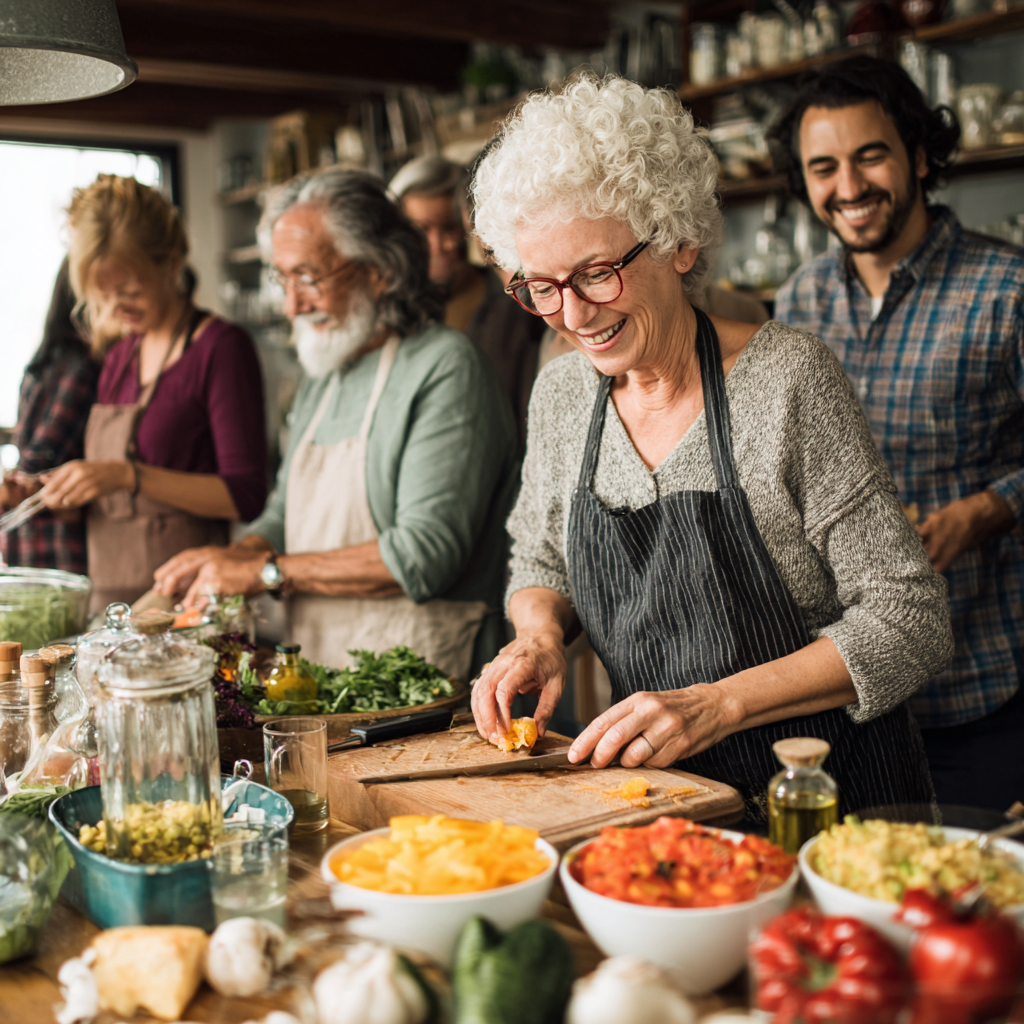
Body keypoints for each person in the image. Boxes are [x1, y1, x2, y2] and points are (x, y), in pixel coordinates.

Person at [470, 75, 953, 820]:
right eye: (540, 285)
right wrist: (537, 636)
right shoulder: (563, 396)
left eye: (597, 274)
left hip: (829, 804)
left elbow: (908, 620)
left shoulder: (788, 380)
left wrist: (717, 705)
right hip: (662, 807)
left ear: (678, 241)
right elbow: (539, 559)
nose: (570, 314)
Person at [771, 56, 1024, 813]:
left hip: (983, 687)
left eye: (870, 155)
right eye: (824, 167)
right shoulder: (798, 298)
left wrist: (989, 508)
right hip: (844, 694)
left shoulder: (1008, 291)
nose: (848, 188)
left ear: (918, 155)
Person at [153, 168, 518, 681]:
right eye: (283, 278)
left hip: (429, 687)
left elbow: (423, 556)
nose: (292, 305)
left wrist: (263, 572)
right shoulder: (324, 378)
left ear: (379, 271)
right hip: (325, 675)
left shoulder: (444, 366)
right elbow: (283, 514)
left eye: (309, 277)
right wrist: (232, 557)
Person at [38, 174, 268, 610]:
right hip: (109, 600)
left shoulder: (220, 348)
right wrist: (61, 492)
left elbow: (246, 496)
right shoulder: (120, 354)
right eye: (102, 296)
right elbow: (112, 504)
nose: (116, 310)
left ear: (172, 261)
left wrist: (130, 475)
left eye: (129, 292)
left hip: (186, 603)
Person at [390, 154, 544, 445]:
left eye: (450, 228)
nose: (440, 245)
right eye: (422, 230)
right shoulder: (393, 314)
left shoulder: (514, 298)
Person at [0, 258, 99, 576]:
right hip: (54, 542)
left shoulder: (43, 363)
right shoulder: (78, 366)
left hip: (31, 538)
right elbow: (40, 461)